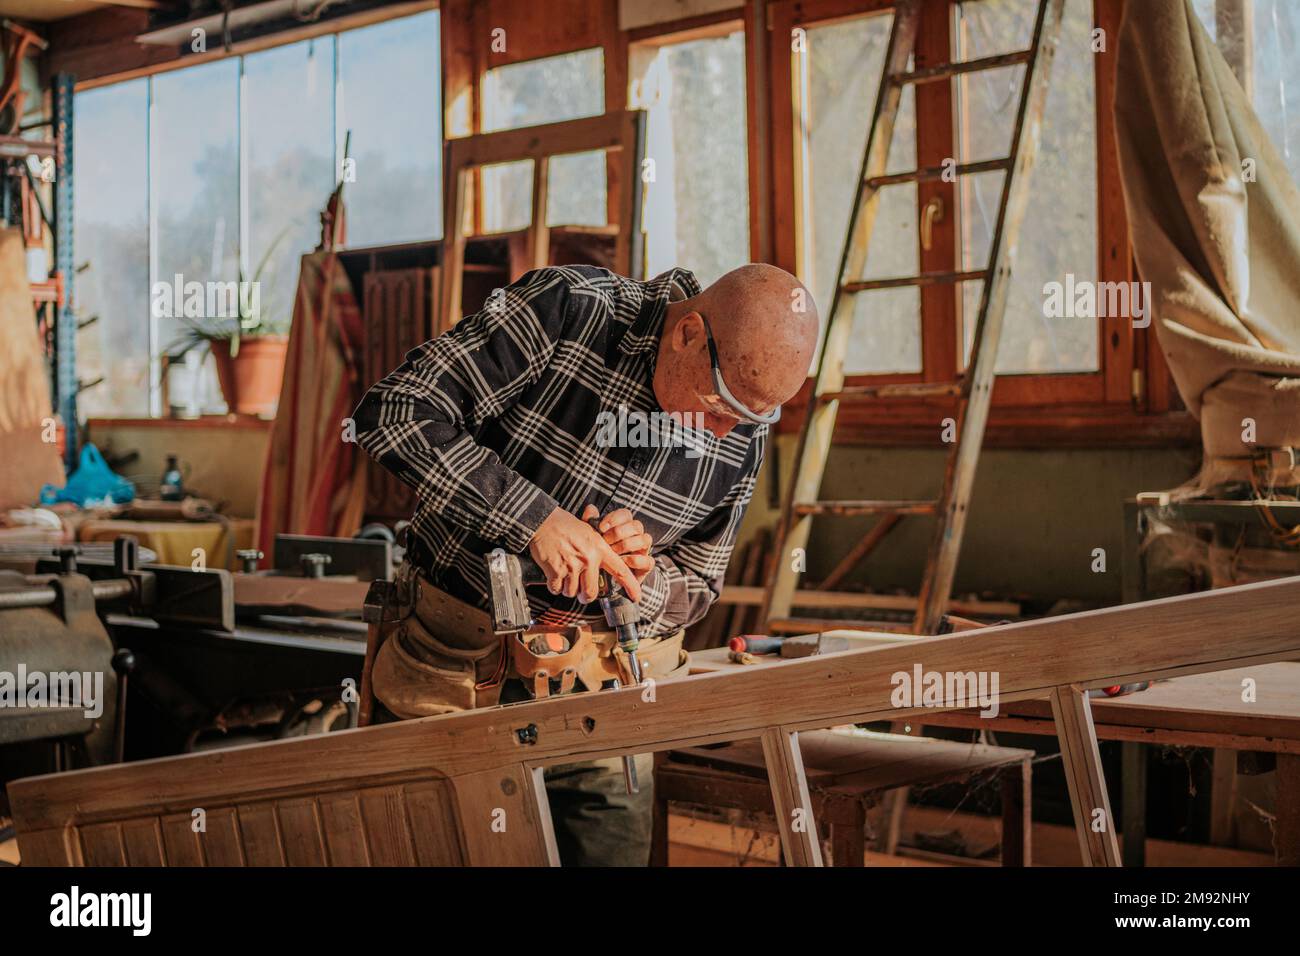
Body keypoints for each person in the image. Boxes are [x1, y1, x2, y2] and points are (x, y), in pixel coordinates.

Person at [352, 262, 819, 865]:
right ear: (688, 335)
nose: (726, 430)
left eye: (755, 418)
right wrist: (534, 520)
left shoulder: (742, 427)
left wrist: (643, 578)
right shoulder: (570, 311)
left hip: (602, 700)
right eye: (720, 405)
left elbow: (699, 584)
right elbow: (394, 412)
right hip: (451, 678)